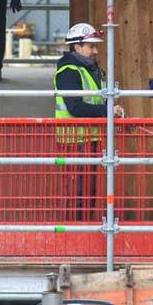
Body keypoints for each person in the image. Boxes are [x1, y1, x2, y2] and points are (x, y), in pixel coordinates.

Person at [54, 22, 125, 220]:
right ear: (77, 47)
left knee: (87, 190)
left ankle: (81, 232)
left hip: (88, 138)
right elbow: (75, 107)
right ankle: (75, 235)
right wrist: (107, 111)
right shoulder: (69, 72)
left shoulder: (91, 70)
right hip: (74, 139)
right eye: (91, 46)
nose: (95, 51)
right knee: (78, 192)